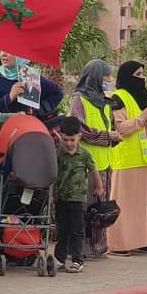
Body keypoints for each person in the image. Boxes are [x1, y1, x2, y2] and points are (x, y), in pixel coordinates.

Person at [106, 61, 147, 256]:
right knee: (124, 202)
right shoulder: (117, 97)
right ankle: (119, 243)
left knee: (141, 202)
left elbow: (146, 123)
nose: (141, 78)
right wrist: (143, 117)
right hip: (128, 157)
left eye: (143, 74)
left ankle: (140, 240)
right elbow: (120, 127)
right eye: (137, 74)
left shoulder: (144, 97)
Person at [70, 59, 117, 257]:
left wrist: (114, 137)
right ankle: (80, 249)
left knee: (99, 208)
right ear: (96, 77)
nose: (109, 80)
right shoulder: (79, 100)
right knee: (84, 208)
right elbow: (80, 128)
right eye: (106, 76)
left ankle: (97, 247)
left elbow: (110, 128)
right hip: (85, 164)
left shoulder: (105, 102)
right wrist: (108, 137)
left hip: (104, 162)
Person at [54, 116, 103, 273]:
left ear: (79, 137)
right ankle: (60, 258)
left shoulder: (85, 154)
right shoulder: (58, 153)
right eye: (65, 139)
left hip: (78, 198)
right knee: (62, 229)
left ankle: (77, 259)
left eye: (72, 140)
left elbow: (94, 170)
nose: (68, 143)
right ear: (61, 136)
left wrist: (99, 187)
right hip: (61, 197)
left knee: (77, 229)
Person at [0, 51, 63, 115]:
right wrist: (9, 97)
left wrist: (37, 112)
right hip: (2, 131)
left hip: (28, 130)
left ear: (21, 55)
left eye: (9, 50)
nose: (3, 54)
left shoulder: (30, 76)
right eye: (2, 50)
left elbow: (57, 94)